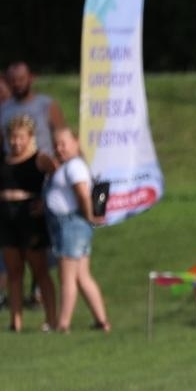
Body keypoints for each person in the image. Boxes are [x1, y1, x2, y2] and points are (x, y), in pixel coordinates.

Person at [0, 114, 59, 332]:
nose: (16, 142)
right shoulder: (3, 158)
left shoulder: (40, 158)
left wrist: (45, 200)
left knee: (39, 270)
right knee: (14, 271)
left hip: (29, 215)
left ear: (30, 137)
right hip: (6, 215)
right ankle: (15, 321)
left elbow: (60, 177)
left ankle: (51, 319)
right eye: (12, 138)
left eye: (20, 137)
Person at [45, 127, 111, 333]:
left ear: (76, 143)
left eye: (64, 143)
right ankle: (102, 321)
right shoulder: (68, 166)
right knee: (82, 276)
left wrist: (89, 215)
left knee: (68, 277)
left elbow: (82, 194)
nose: (59, 148)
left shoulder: (74, 166)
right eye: (56, 144)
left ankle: (63, 324)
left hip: (72, 224)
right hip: (73, 224)